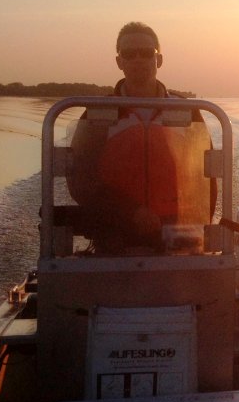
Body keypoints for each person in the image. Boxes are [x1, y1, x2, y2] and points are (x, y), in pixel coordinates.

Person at [67, 22, 212, 253]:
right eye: (129, 53)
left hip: (176, 233)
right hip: (115, 232)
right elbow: (81, 181)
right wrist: (130, 212)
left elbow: (205, 179)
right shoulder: (98, 114)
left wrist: (198, 231)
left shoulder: (187, 112)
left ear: (159, 60)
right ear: (119, 62)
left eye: (146, 53)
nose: (138, 59)